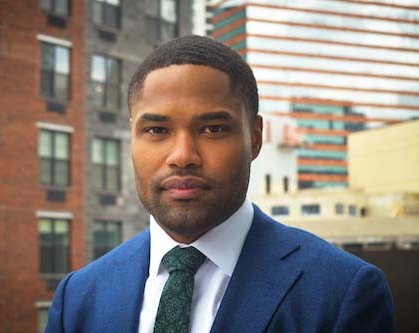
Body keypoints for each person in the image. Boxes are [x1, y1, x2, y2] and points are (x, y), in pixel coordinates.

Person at [45, 35, 395, 333]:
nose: (182, 156)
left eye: (212, 129)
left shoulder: (342, 292)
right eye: (157, 130)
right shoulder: (79, 297)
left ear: (255, 138)